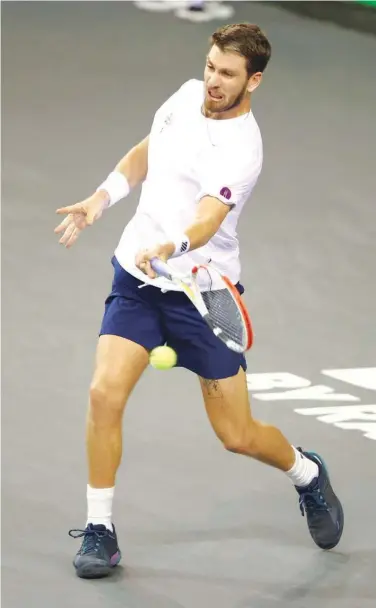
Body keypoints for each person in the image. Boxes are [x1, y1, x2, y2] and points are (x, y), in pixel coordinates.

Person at [55, 23, 344, 580]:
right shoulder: (187, 95)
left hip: (201, 292)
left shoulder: (243, 147)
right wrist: (102, 198)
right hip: (138, 279)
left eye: (227, 74)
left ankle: (306, 473)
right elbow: (146, 151)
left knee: (237, 436)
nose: (213, 80)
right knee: (103, 394)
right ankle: (100, 529)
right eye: (211, 66)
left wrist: (175, 244)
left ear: (253, 81)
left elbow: (209, 217)